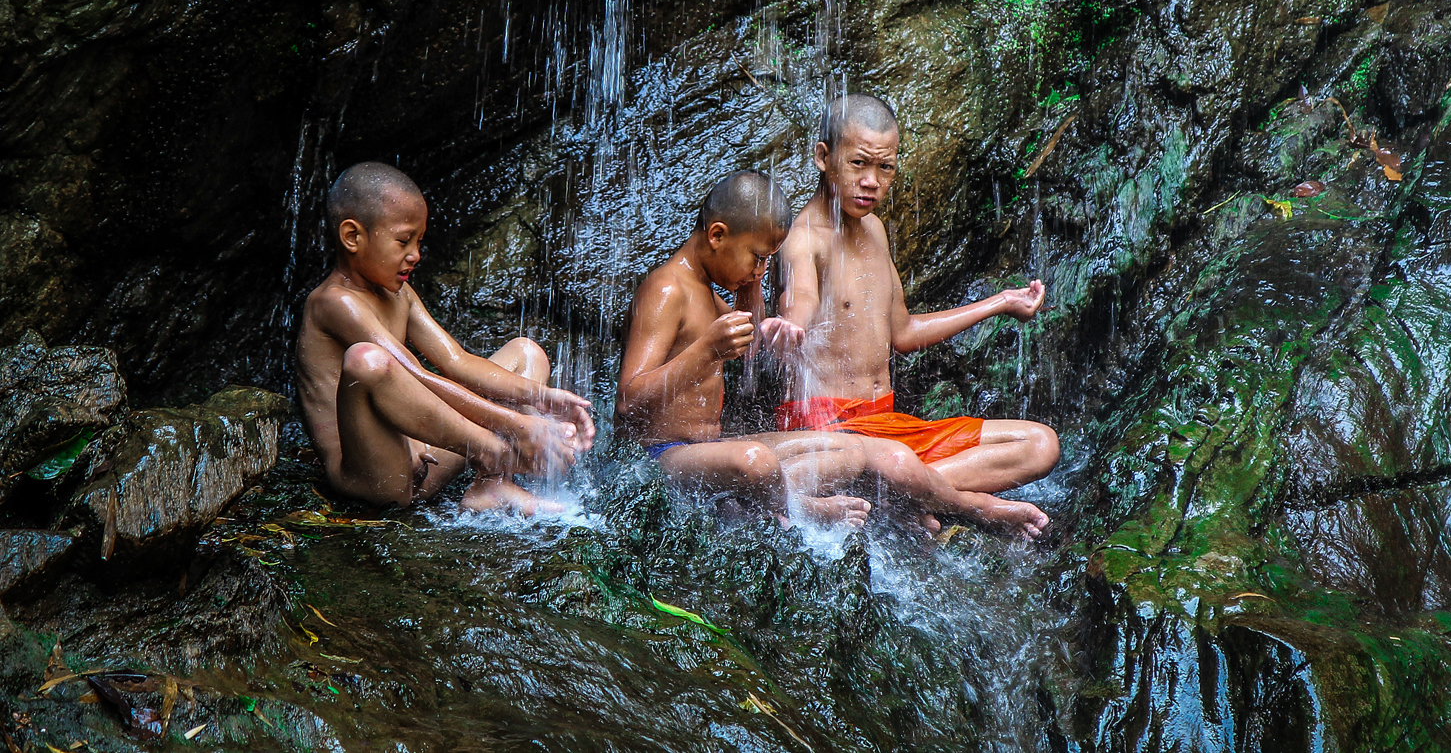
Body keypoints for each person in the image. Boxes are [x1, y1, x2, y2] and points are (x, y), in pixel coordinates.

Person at [618, 170, 1049, 536]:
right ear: (717, 235)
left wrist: (750, 287)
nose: (761, 269)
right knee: (756, 461)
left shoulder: (710, 294)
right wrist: (707, 350)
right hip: (664, 454)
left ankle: (956, 503)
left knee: (855, 452)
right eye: (756, 258)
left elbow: (747, 359)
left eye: (769, 260)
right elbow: (628, 402)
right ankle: (799, 509)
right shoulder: (668, 288)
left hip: (711, 449)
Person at [777, 95, 1061, 509]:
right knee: (892, 461)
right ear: (824, 157)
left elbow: (904, 333)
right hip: (831, 432)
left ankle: (906, 494)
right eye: (859, 163)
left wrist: (1000, 302)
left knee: (1041, 444)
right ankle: (917, 494)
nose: (872, 181)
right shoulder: (803, 238)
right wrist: (792, 324)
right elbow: (800, 297)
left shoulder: (874, 229)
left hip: (889, 428)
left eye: (885, 167)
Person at [296, 162, 594, 515]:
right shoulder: (334, 302)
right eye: (403, 240)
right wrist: (515, 427)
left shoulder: (399, 294)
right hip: (376, 478)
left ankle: (492, 486)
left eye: (419, 241)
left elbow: (457, 361)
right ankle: (495, 456)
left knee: (525, 353)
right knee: (368, 361)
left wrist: (543, 398)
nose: (416, 255)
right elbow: (414, 375)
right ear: (352, 237)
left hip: (429, 456)